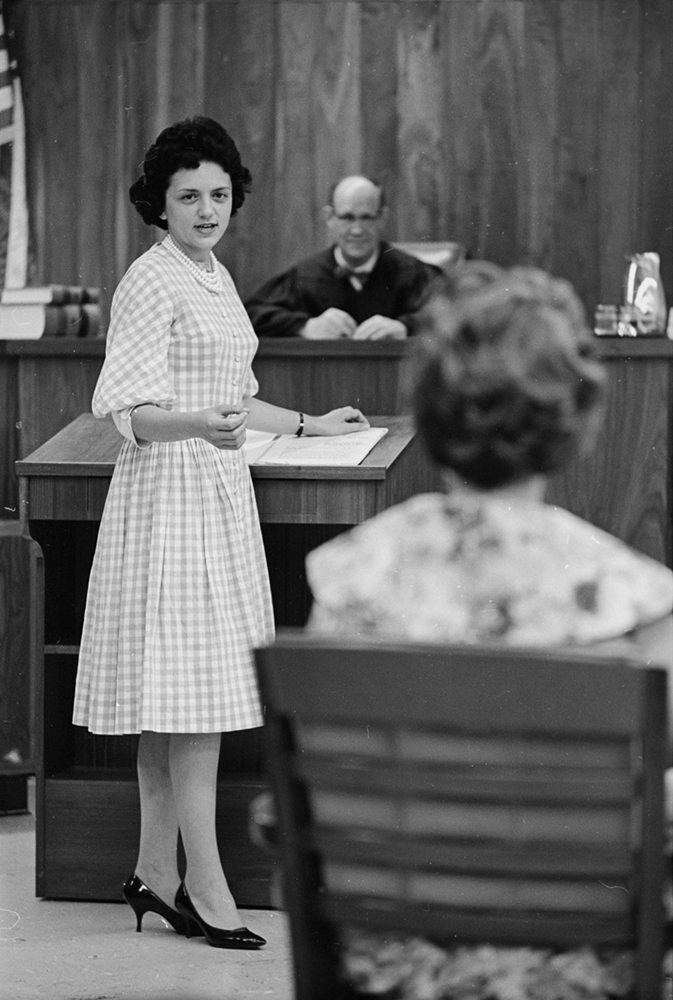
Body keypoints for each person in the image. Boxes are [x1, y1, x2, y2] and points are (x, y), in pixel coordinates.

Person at [304, 263, 673, 997]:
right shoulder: (636, 598)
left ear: (432, 409)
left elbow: (326, 796)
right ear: (577, 420)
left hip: (394, 959)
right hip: (576, 961)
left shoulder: (346, 577)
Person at [71, 116, 369, 951]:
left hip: (213, 494)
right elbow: (125, 411)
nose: (207, 209)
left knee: (176, 704)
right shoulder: (151, 279)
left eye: (218, 194)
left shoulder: (211, 272)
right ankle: (205, 886)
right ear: (158, 206)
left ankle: (153, 874)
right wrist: (200, 423)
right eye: (188, 196)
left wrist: (309, 422)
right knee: (191, 705)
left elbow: (236, 392)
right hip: (167, 501)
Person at [244, 174, 441, 340]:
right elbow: (250, 315)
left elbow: (457, 314)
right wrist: (305, 326)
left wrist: (406, 328)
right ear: (330, 218)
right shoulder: (305, 276)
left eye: (367, 218)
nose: (357, 230)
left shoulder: (412, 272)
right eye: (347, 218)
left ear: (382, 218)